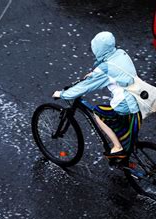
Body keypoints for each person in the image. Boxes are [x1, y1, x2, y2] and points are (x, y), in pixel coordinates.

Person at [52, 31, 141, 160]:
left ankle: (117, 148)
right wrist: (94, 75)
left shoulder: (106, 68)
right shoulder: (120, 53)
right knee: (114, 120)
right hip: (138, 98)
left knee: (98, 112)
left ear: (99, 49)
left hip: (125, 104)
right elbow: (114, 72)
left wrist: (62, 94)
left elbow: (85, 87)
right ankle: (122, 146)